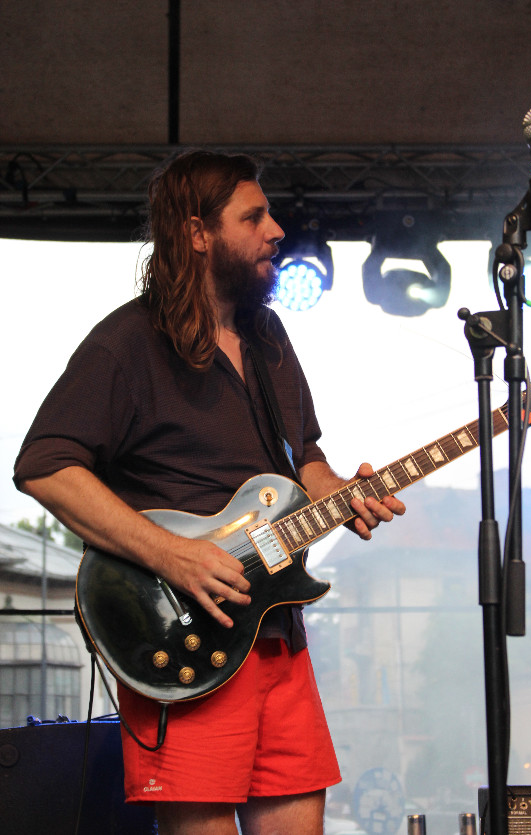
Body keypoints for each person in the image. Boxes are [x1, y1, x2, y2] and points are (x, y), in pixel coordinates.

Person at [13, 150, 406, 835]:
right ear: (196, 232)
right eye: (252, 216)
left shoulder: (268, 337)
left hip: (278, 633)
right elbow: (44, 464)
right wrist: (173, 555)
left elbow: (302, 461)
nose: (276, 229)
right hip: (188, 639)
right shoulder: (127, 343)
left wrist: (344, 492)